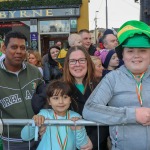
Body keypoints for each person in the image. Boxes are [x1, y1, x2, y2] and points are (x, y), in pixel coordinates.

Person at [83, 20, 150, 150]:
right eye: (130, 51)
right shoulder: (112, 78)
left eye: (142, 50)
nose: (136, 56)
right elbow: (89, 109)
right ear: (122, 55)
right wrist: (132, 115)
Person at [0, 31, 44, 150]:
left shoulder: (35, 71)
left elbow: (45, 97)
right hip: (12, 140)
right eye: (14, 47)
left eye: (23, 48)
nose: (19, 51)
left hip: (39, 135)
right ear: (4, 48)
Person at [21, 80, 93, 150]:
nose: (61, 102)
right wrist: (34, 122)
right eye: (56, 98)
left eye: (65, 97)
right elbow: (25, 136)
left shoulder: (75, 117)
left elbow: (83, 146)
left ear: (70, 100)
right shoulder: (43, 115)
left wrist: (78, 129)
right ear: (49, 101)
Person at [63, 46, 109, 150]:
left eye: (82, 60)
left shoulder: (101, 86)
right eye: (73, 61)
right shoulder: (59, 88)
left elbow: (107, 118)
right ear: (67, 64)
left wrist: (92, 141)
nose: (77, 64)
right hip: (70, 144)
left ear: (88, 62)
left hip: (96, 145)